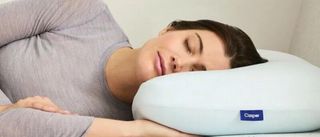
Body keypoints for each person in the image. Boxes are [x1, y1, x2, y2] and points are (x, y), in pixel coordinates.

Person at [0, 0, 267, 136]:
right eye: (188, 45)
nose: (180, 63)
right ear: (170, 28)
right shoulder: (82, 11)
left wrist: (134, 131)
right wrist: (8, 111)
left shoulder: (131, 126)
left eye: (197, 72)